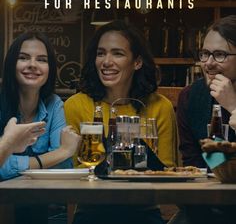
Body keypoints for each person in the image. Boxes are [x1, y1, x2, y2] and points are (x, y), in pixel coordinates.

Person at [65, 19, 178, 224]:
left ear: (137, 62)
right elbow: (74, 173)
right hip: (92, 211)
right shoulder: (76, 105)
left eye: (117, 53)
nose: (106, 61)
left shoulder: (160, 106)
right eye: (100, 53)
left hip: (144, 211)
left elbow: (167, 173)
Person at [0, 32, 80, 180]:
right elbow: (1, 169)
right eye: (23, 58)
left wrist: (61, 156)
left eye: (42, 60)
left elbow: (63, 166)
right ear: (11, 64)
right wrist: (62, 151)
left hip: (45, 199)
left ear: (50, 69)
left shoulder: (54, 105)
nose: (32, 65)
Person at [176, 15, 236, 169]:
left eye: (220, 55)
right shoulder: (189, 97)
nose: (208, 63)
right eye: (205, 54)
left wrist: (233, 106)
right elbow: (192, 165)